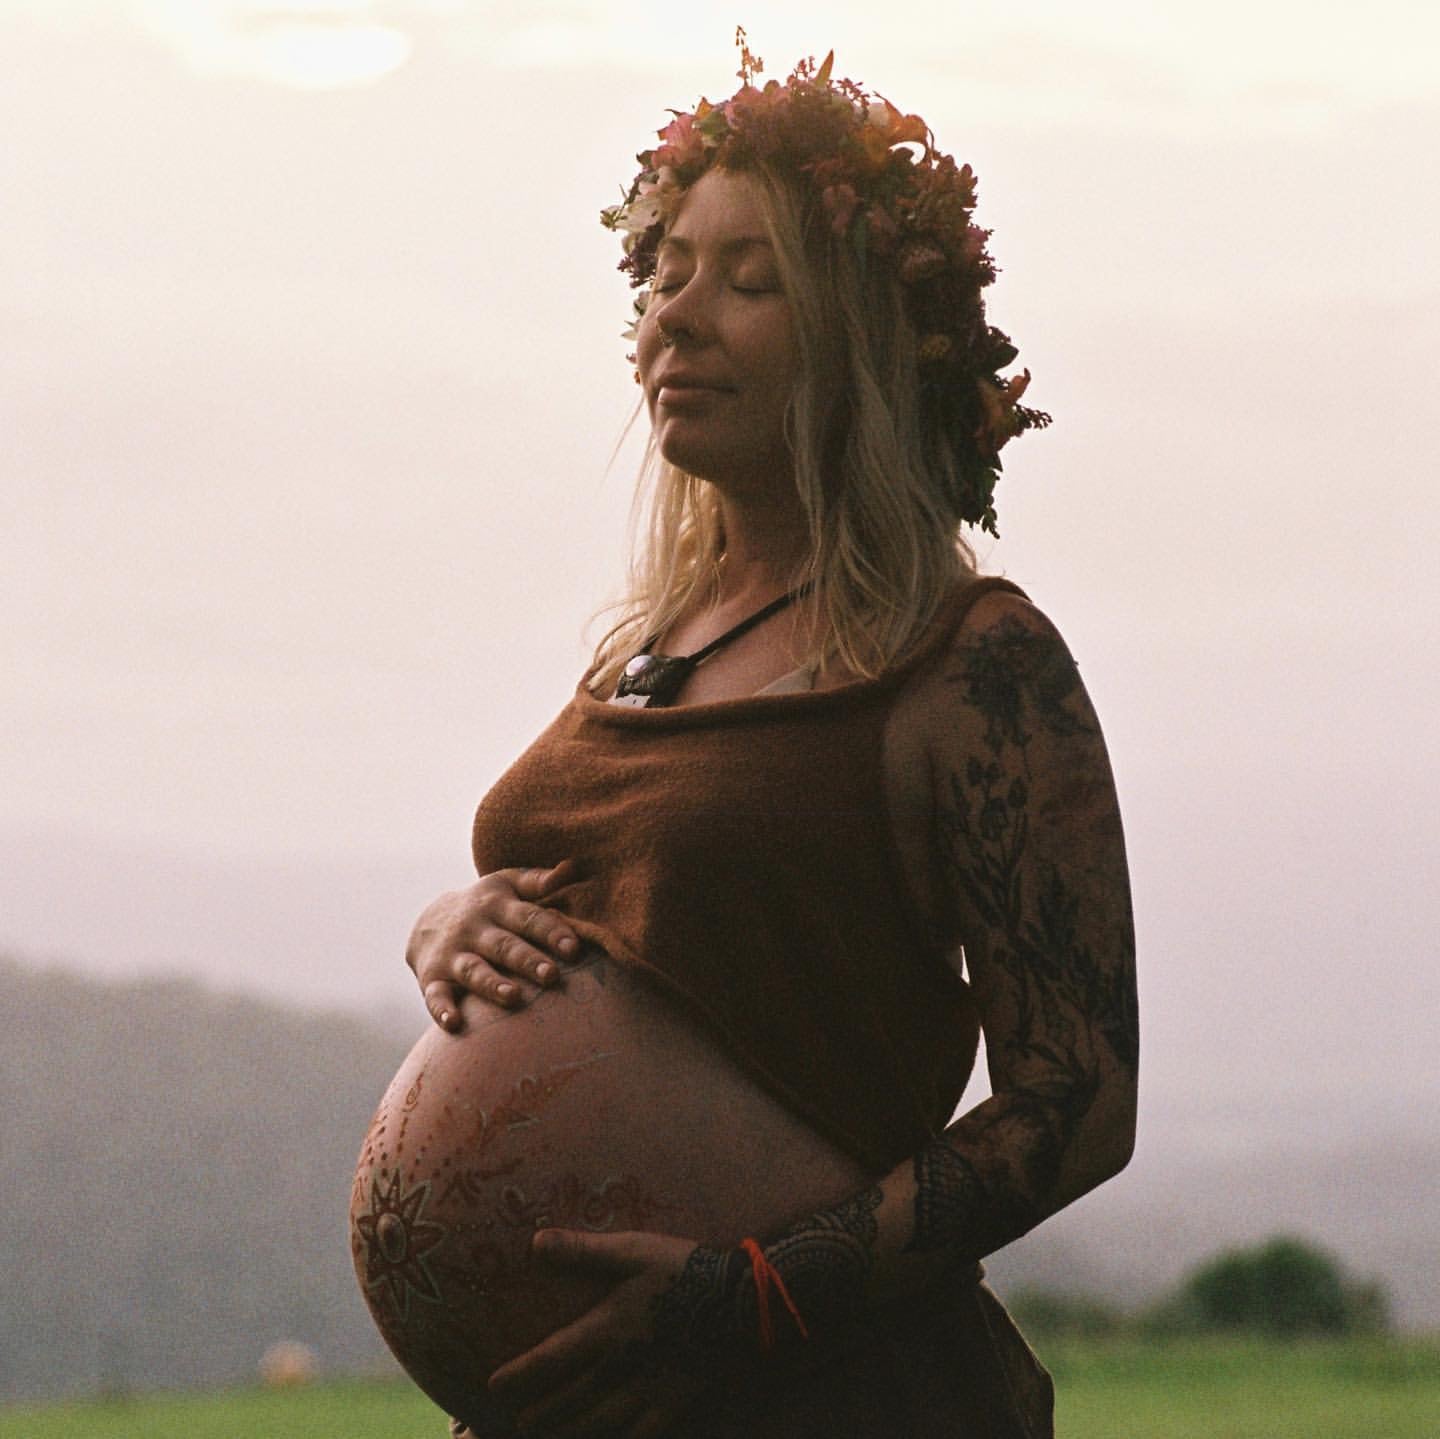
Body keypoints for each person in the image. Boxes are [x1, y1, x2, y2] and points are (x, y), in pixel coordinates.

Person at [405, 38, 1137, 1439]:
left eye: (750, 282)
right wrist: (453, 921)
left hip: (830, 1399)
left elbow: (1079, 1100)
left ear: (863, 341)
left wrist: (752, 1291)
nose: (677, 316)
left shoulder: (972, 661)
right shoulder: (651, 641)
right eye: (666, 269)